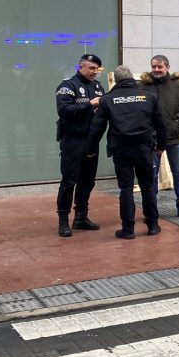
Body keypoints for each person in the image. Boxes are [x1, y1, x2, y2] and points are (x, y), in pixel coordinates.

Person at [87, 65, 167, 239]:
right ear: (131, 78)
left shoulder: (108, 99)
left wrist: (91, 150)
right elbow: (161, 125)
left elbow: (96, 128)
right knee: (147, 186)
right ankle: (153, 225)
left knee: (126, 189)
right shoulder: (148, 96)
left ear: (115, 80)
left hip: (121, 149)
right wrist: (160, 146)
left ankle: (128, 229)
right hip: (144, 148)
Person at [139, 54, 179, 219]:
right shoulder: (143, 86)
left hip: (174, 138)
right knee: (151, 175)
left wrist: (178, 119)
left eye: (160, 67)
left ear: (167, 67)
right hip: (151, 139)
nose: (156, 70)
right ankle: (151, 210)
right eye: (154, 67)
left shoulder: (177, 86)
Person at [55, 53, 106, 238]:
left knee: (88, 181)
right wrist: (89, 105)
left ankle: (81, 217)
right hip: (73, 140)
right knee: (69, 181)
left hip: (92, 141)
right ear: (80, 67)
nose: (94, 72)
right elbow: (64, 111)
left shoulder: (98, 87)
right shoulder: (68, 86)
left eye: (97, 69)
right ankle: (63, 220)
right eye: (91, 68)